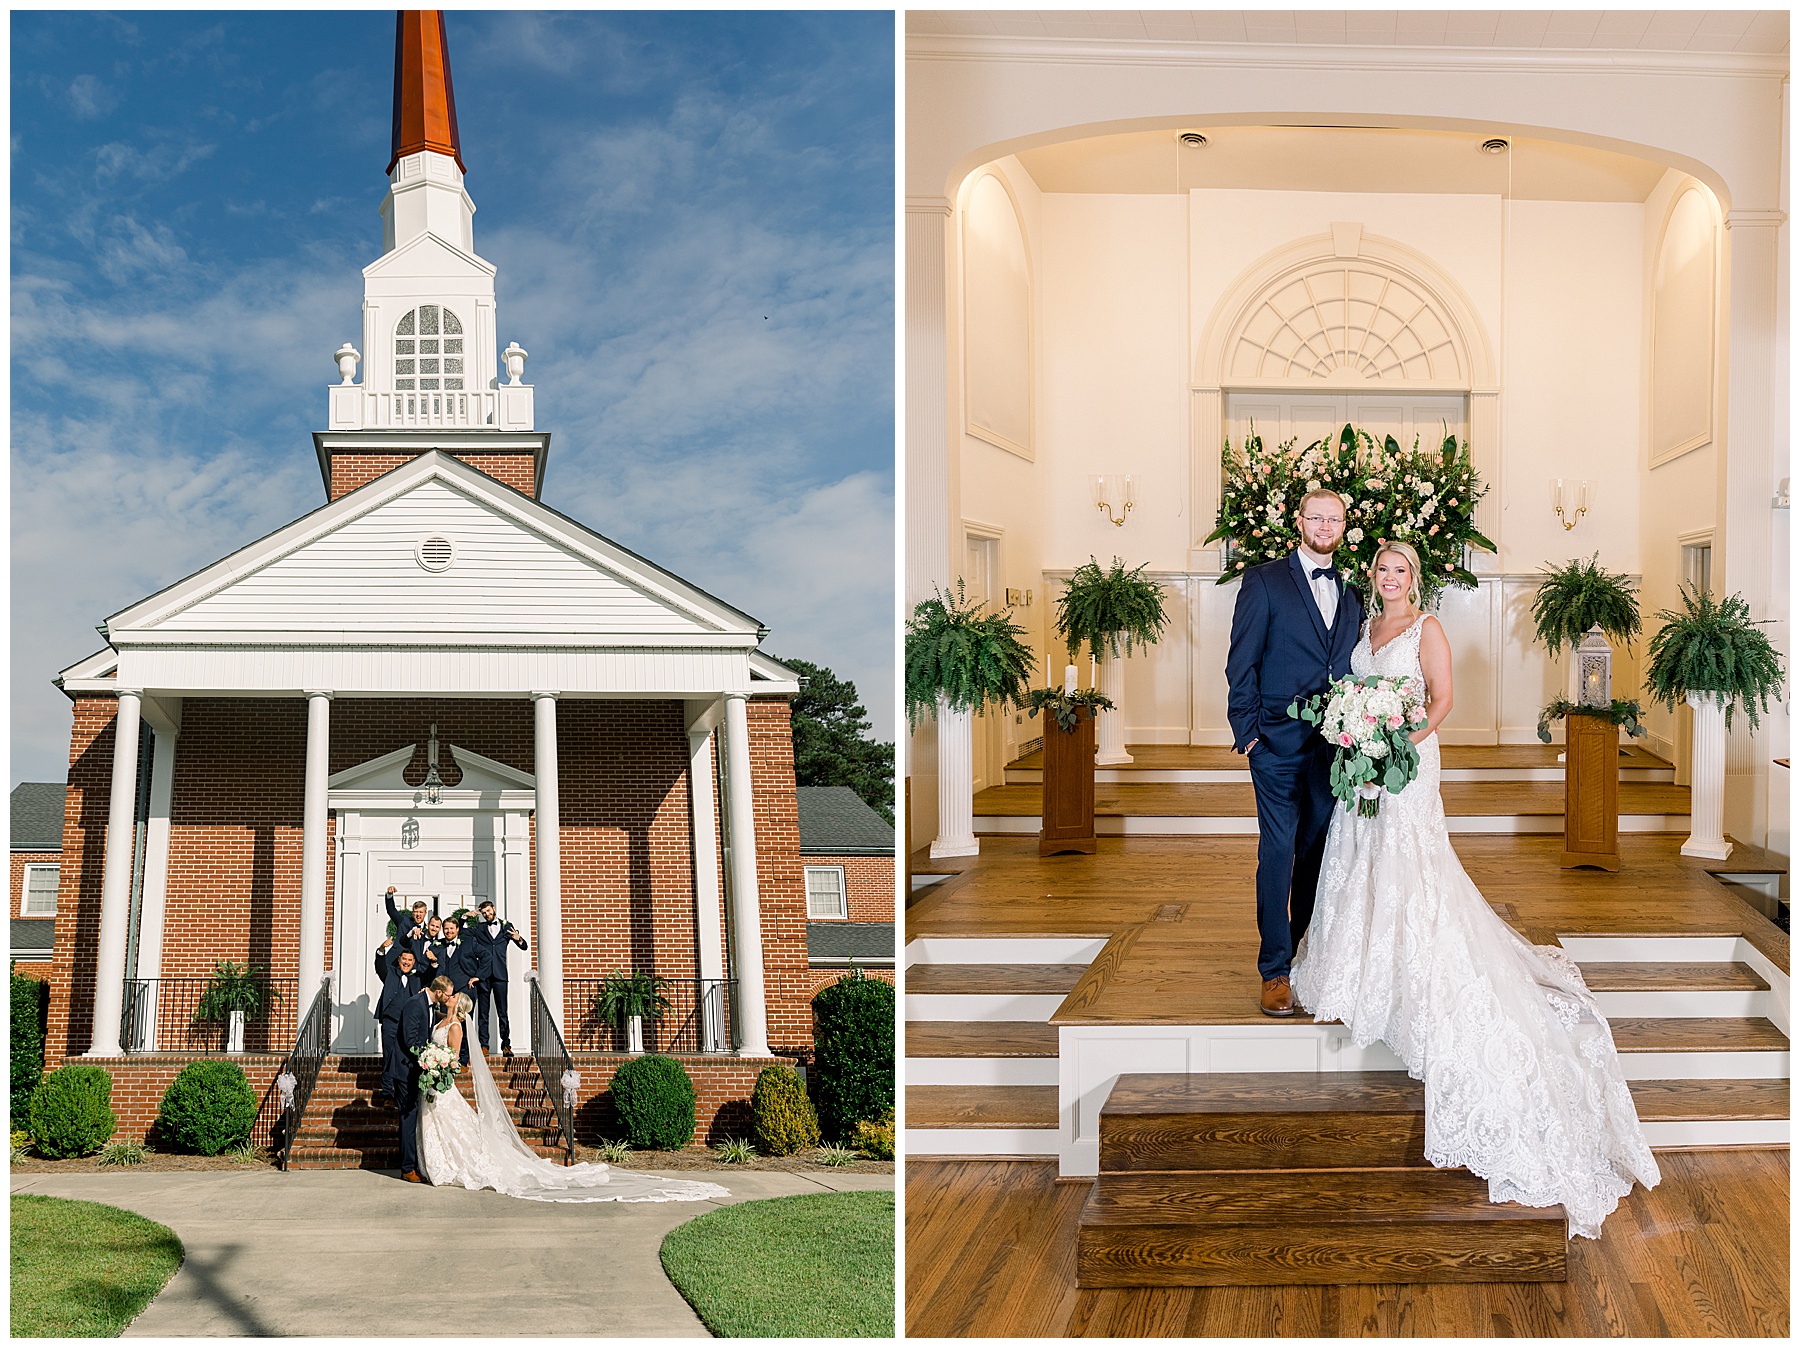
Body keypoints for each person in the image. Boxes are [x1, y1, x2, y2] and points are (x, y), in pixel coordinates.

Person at [1289, 540, 1660, 1238]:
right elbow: (1353, 693)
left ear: (1414, 578)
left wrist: (1396, 745)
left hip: (1407, 762)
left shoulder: (1427, 628)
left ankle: (1414, 963)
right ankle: (1352, 965)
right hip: (1361, 762)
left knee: (1410, 862)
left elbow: (1443, 700)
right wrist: (1355, 738)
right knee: (1356, 853)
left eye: (1399, 570)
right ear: (1374, 578)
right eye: (1382, 570)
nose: (1390, 578)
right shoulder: (1365, 630)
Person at [1224, 487, 1364, 1016]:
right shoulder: (1262, 581)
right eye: (1316, 517)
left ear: (1344, 525)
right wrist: (1249, 732)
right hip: (1275, 742)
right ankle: (1275, 969)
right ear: (1299, 521)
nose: (1324, 526)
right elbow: (1242, 662)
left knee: (1316, 851)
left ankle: (1303, 948)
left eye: (1334, 518)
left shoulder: (1352, 595)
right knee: (1278, 852)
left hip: (1333, 747)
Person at [414, 985, 727, 1203]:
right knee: (443, 1123)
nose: (450, 996)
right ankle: (440, 1163)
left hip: (442, 1082)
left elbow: (454, 1059)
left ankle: (457, 1164)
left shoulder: (455, 1027)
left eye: (455, 996)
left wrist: (439, 1069)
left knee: (454, 1122)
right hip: (432, 1080)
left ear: (460, 1005)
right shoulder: (441, 1020)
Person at [469, 899, 528, 1054]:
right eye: (483, 913)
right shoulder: (479, 927)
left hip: (500, 975)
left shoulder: (506, 926)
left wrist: (518, 939)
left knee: (503, 1012)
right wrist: (466, 917)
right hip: (483, 975)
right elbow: (462, 932)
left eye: (488, 911)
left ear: (494, 909)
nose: (487, 914)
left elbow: (524, 946)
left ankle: (506, 1045)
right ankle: (484, 1045)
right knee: (483, 1012)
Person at [374, 944, 423, 1105]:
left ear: (414, 962)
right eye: (404, 959)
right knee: (389, 1056)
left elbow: (431, 974)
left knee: (408, 1056)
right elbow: (379, 964)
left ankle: (407, 1091)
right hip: (391, 1021)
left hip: (409, 1025)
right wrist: (381, 950)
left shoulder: (417, 978)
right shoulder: (390, 973)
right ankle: (387, 1093)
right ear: (399, 960)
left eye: (410, 960)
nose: (407, 962)